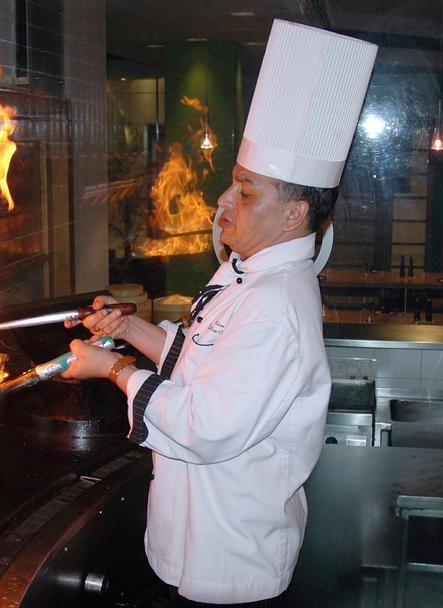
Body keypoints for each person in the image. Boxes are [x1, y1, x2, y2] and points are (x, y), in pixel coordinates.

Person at [62, 20, 377, 607]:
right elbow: (205, 359)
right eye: (233, 184)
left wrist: (111, 370)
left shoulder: (277, 304)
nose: (223, 201)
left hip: (233, 557)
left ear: (294, 215)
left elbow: (207, 426)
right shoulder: (247, 271)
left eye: (246, 192)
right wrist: (127, 329)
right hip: (194, 536)